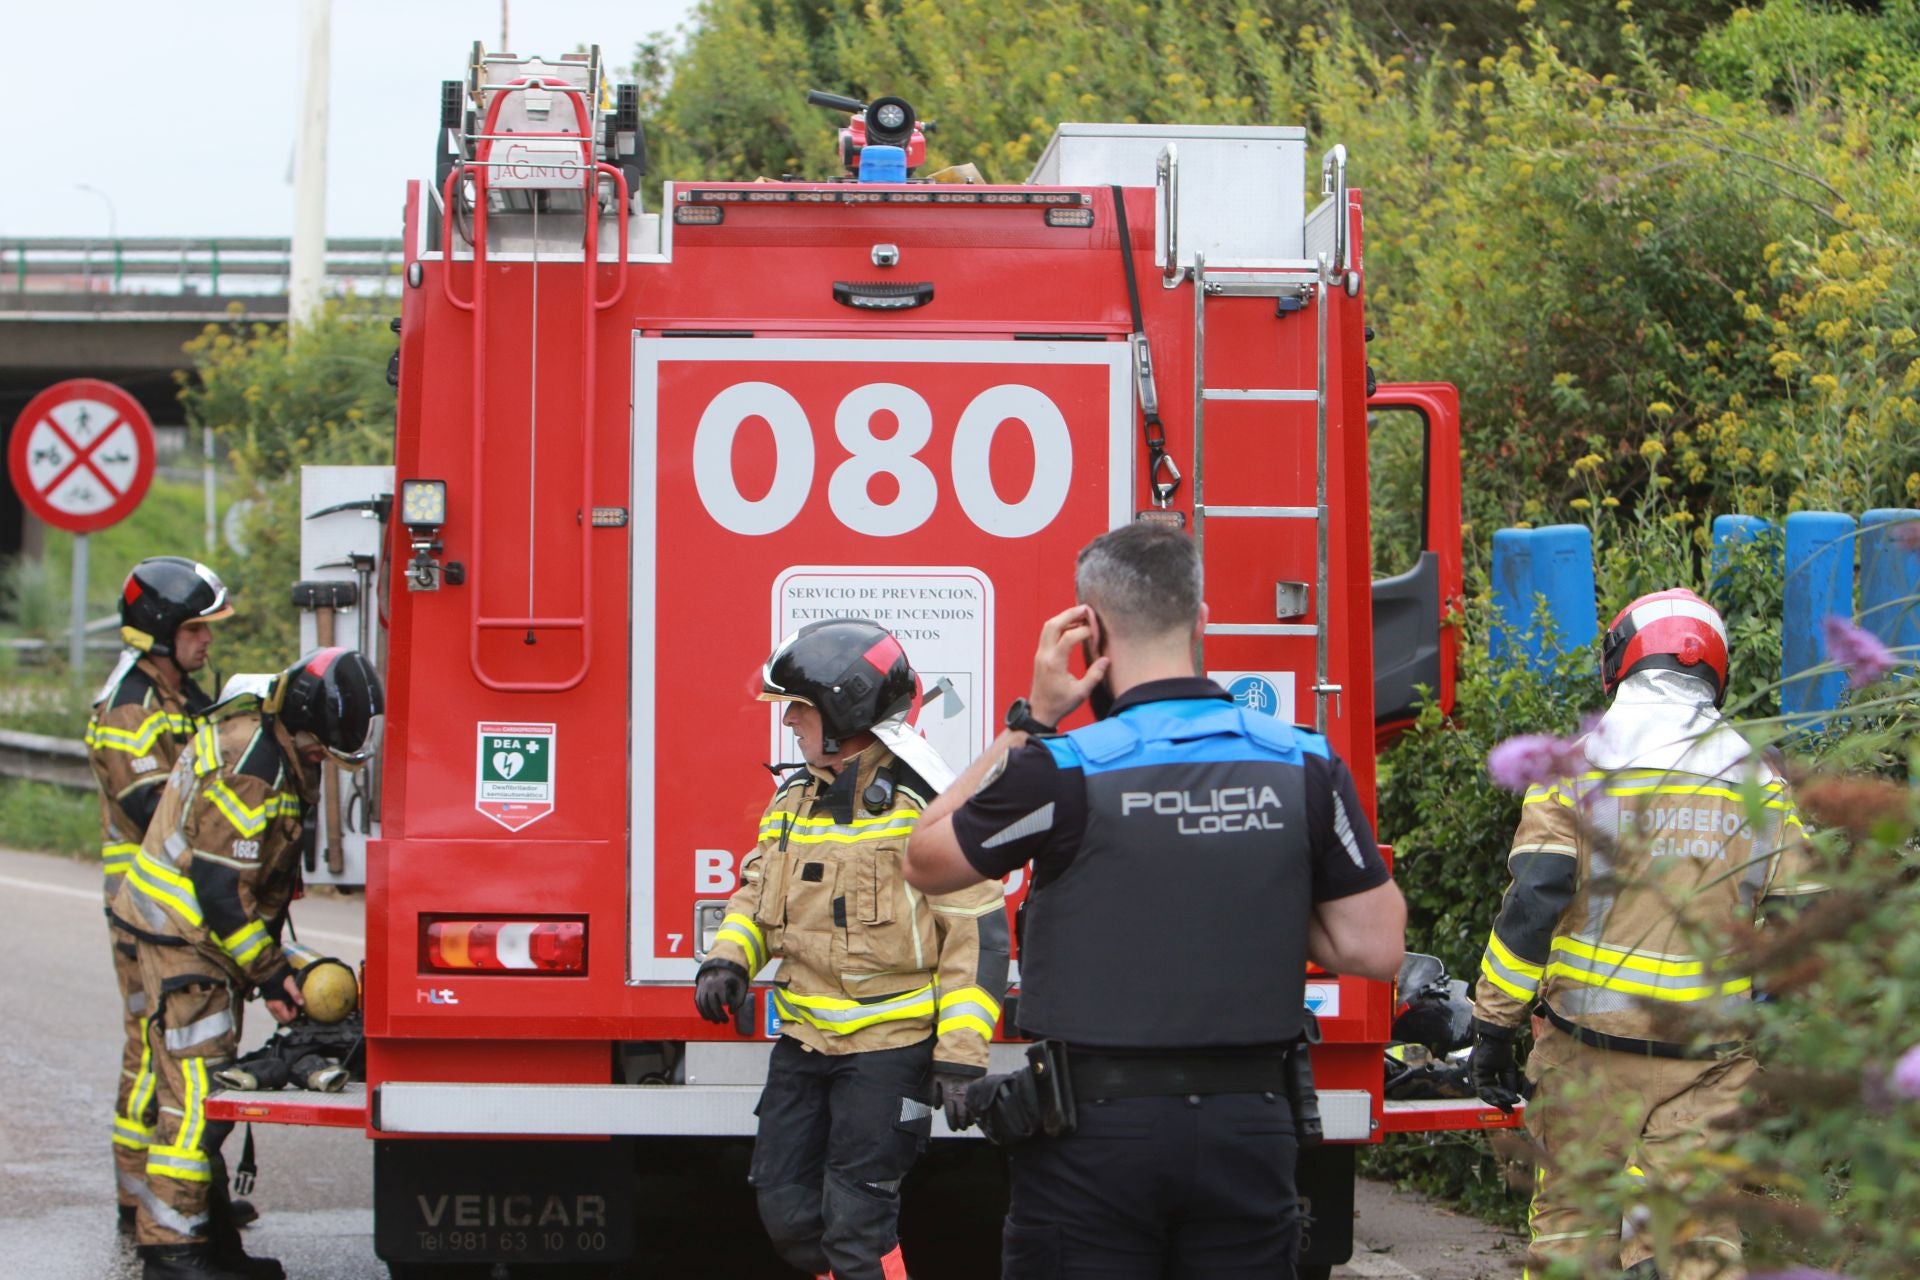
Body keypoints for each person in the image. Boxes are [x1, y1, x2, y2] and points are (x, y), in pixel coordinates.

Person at [901, 522, 1407, 1277]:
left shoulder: (1062, 770)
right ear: (1201, 621)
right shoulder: (1304, 761)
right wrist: (1236, 890)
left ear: (1090, 632)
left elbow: (924, 858)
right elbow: (1374, 946)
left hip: (1093, 1139)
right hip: (1251, 1130)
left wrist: (1030, 721)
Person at [1466, 588, 1824, 1280]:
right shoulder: (1762, 777)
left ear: (1620, 662)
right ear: (1712, 668)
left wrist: (1493, 1026)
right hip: (1709, 1061)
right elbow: (1801, 923)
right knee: (1693, 1245)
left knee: (1571, 1234)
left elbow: (1533, 904)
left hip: (1585, 1056)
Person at [692, 618, 1009, 1280]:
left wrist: (959, 1055)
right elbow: (757, 893)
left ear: (844, 707)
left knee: (857, 1228)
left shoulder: (929, 806)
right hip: (805, 1044)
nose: (790, 725)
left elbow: (974, 934)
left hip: (888, 1053)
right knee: (789, 1213)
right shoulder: (794, 798)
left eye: (799, 710)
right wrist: (729, 959)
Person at [110, 647, 385, 1280]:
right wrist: (270, 976)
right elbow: (217, 891)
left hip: (200, 939)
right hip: (185, 940)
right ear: (303, 725)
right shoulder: (253, 769)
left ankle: (209, 1246)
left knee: (205, 1092)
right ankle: (173, 1255)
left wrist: (280, 965)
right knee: (196, 1097)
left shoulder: (272, 737)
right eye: (320, 751)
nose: (321, 761)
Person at [88, 557, 235, 1232]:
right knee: (153, 1052)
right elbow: (157, 812)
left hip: (175, 911)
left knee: (167, 1051)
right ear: (160, 629)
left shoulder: (184, 697)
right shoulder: (129, 707)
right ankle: (141, 1202)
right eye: (197, 629)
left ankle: (171, 1193)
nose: (207, 642)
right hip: (143, 912)